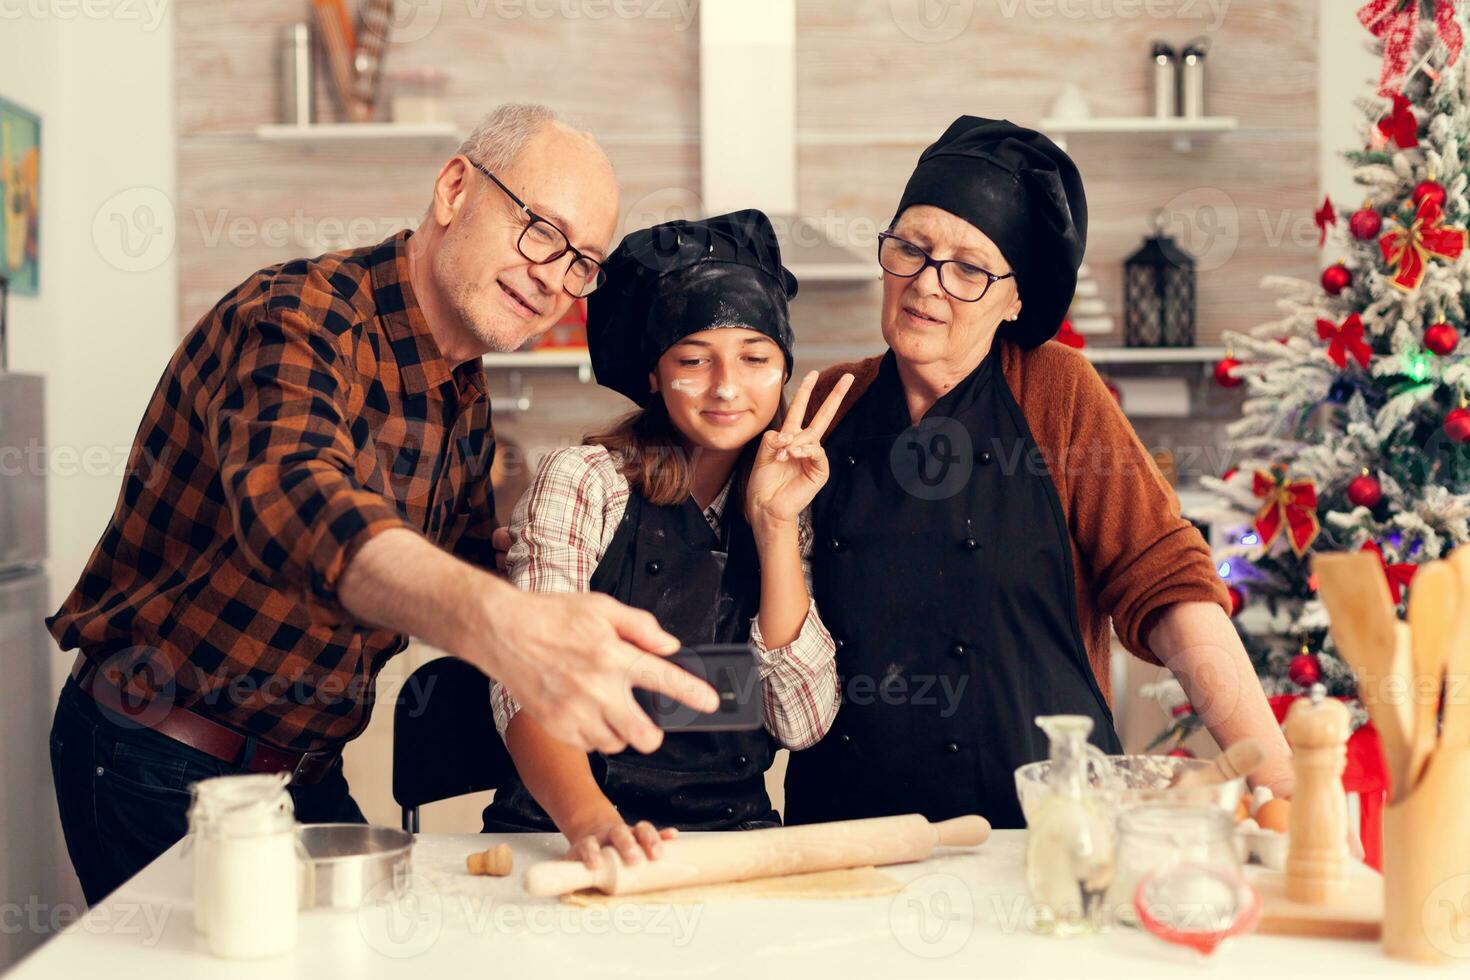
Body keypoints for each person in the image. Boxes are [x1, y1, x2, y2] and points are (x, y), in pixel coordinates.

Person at [45, 103, 717, 904]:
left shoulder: (461, 389)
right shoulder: (298, 316)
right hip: (158, 757)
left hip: (299, 776)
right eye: (540, 227)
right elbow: (294, 505)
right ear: (455, 188)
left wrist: (558, 578)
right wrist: (505, 625)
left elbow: (469, 560)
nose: (553, 277)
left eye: (583, 261)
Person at [783, 116, 1295, 829]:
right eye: (911, 247)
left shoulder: (1057, 391)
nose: (928, 283)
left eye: (969, 268)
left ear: (1015, 300)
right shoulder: (827, 404)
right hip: (852, 835)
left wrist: (1279, 784)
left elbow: (1165, 581)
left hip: (1046, 829)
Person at [482, 211, 852, 868]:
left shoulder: (789, 500)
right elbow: (530, 683)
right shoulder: (586, 481)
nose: (727, 386)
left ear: (783, 369)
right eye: (694, 359)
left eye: (755, 358)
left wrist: (772, 527)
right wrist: (596, 827)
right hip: (564, 835)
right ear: (653, 375)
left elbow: (803, 721)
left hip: (729, 841)